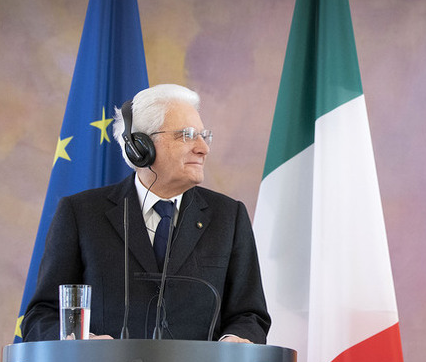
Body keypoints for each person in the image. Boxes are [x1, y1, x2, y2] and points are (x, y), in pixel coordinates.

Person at [22, 83, 270, 344]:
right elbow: (42, 316)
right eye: (187, 135)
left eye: (204, 136)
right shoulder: (81, 214)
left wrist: (236, 339)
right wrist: (80, 343)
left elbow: (250, 315)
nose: (203, 148)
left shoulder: (229, 217)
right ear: (140, 146)